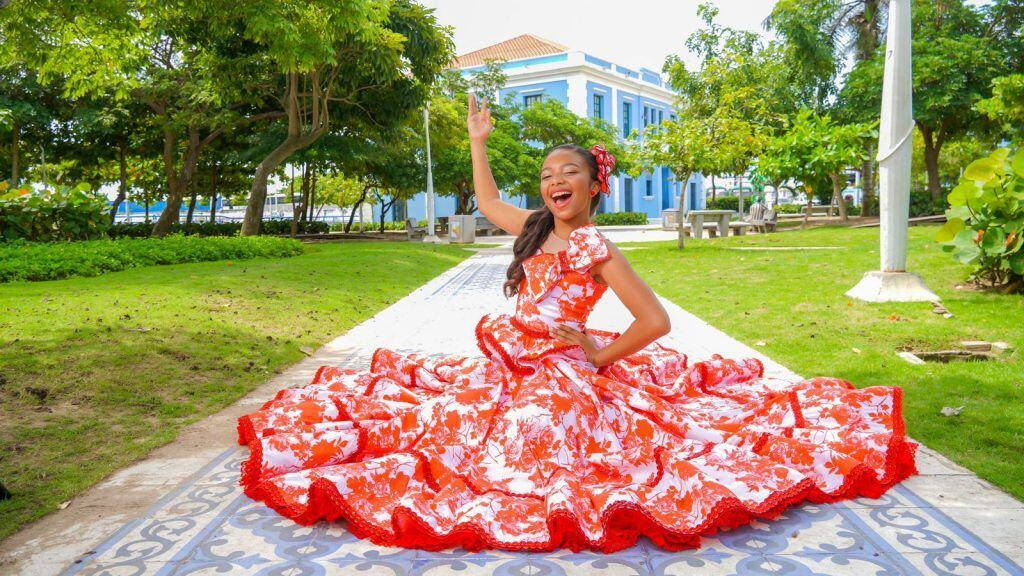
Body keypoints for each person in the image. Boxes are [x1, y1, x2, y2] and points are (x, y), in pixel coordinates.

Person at [236, 94, 916, 553]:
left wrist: (597, 353)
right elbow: (484, 198)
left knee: (535, 437)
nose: (554, 181)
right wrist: (478, 140)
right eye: (547, 174)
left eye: (569, 173)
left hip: (562, 367)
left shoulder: (596, 247)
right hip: (508, 359)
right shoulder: (534, 227)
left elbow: (655, 320)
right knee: (443, 419)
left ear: (594, 186)